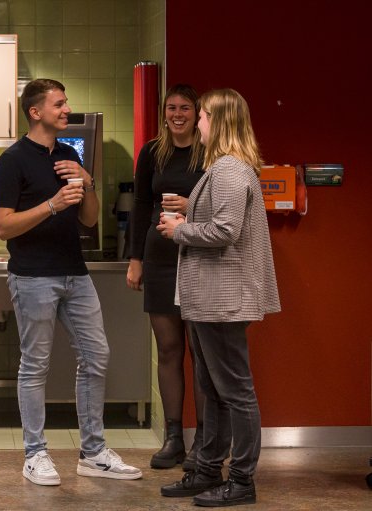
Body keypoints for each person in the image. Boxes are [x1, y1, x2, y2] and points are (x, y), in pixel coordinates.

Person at [0, 78, 142, 486]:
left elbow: (90, 219)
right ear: (35, 112)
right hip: (33, 276)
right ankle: (35, 453)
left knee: (97, 356)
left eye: (66, 102)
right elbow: (4, 226)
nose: (66, 109)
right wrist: (52, 204)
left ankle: (93, 453)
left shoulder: (68, 155)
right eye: (59, 104)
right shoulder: (12, 161)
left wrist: (86, 180)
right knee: (34, 366)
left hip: (76, 274)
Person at [157, 88, 280, 507]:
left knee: (235, 391)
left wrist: (180, 231)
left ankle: (242, 480)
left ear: (219, 121)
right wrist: (189, 215)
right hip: (210, 297)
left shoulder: (228, 170)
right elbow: (222, 221)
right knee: (213, 388)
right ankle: (207, 469)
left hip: (221, 298)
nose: (198, 123)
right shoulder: (225, 169)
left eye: (203, 116)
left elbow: (225, 231)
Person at [126, 84, 206, 470]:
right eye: (171, 108)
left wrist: (193, 207)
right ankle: (174, 437)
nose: (178, 114)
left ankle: (206, 439)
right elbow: (141, 205)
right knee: (169, 350)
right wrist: (135, 258)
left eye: (185, 108)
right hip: (160, 258)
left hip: (203, 258)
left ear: (197, 112)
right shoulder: (151, 152)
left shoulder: (212, 152)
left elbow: (229, 205)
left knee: (203, 354)